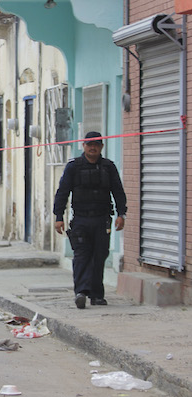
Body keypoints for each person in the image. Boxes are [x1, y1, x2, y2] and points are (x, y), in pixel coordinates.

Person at [53, 131, 127, 309]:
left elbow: (118, 191)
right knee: (81, 256)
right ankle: (81, 292)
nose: (93, 147)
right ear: (83, 146)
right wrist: (58, 217)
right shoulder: (74, 167)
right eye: (89, 144)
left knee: (99, 256)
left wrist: (121, 214)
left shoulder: (108, 167)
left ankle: (97, 295)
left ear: (102, 146)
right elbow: (62, 192)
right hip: (81, 220)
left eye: (96, 144)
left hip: (102, 219)